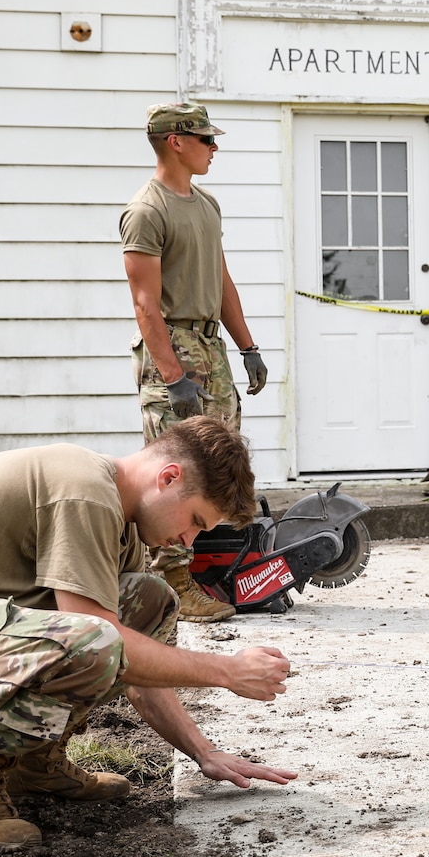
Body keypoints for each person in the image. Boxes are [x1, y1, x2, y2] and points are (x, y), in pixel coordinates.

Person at [0, 416, 296, 853]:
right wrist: (228, 671)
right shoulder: (84, 492)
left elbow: (135, 667)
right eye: (196, 521)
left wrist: (204, 751)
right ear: (169, 477)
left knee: (149, 601)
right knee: (94, 640)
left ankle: (29, 763)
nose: (189, 542)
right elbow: (102, 642)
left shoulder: (120, 521)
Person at [121, 101, 269, 623]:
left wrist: (247, 346)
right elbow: (145, 303)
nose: (214, 148)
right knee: (178, 468)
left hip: (212, 347)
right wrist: (171, 375)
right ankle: (172, 585)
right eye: (206, 139)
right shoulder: (147, 210)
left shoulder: (206, 206)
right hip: (175, 346)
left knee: (222, 461)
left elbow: (222, 281)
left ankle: (213, 569)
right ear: (175, 141)